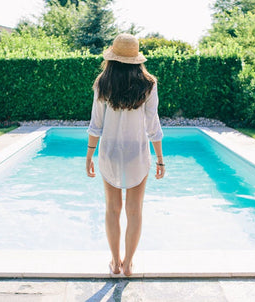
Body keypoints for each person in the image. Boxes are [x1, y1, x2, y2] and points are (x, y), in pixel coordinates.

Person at [86, 33, 165, 277]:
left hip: (109, 153)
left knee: (112, 208)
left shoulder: (103, 82)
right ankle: (129, 264)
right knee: (134, 210)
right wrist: (160, 158)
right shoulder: (148, 83)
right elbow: (153, 125)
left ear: (113, 57)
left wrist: (89, 155)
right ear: (136, 58)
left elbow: (95, 123)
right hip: (137, 154)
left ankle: (115, 262)